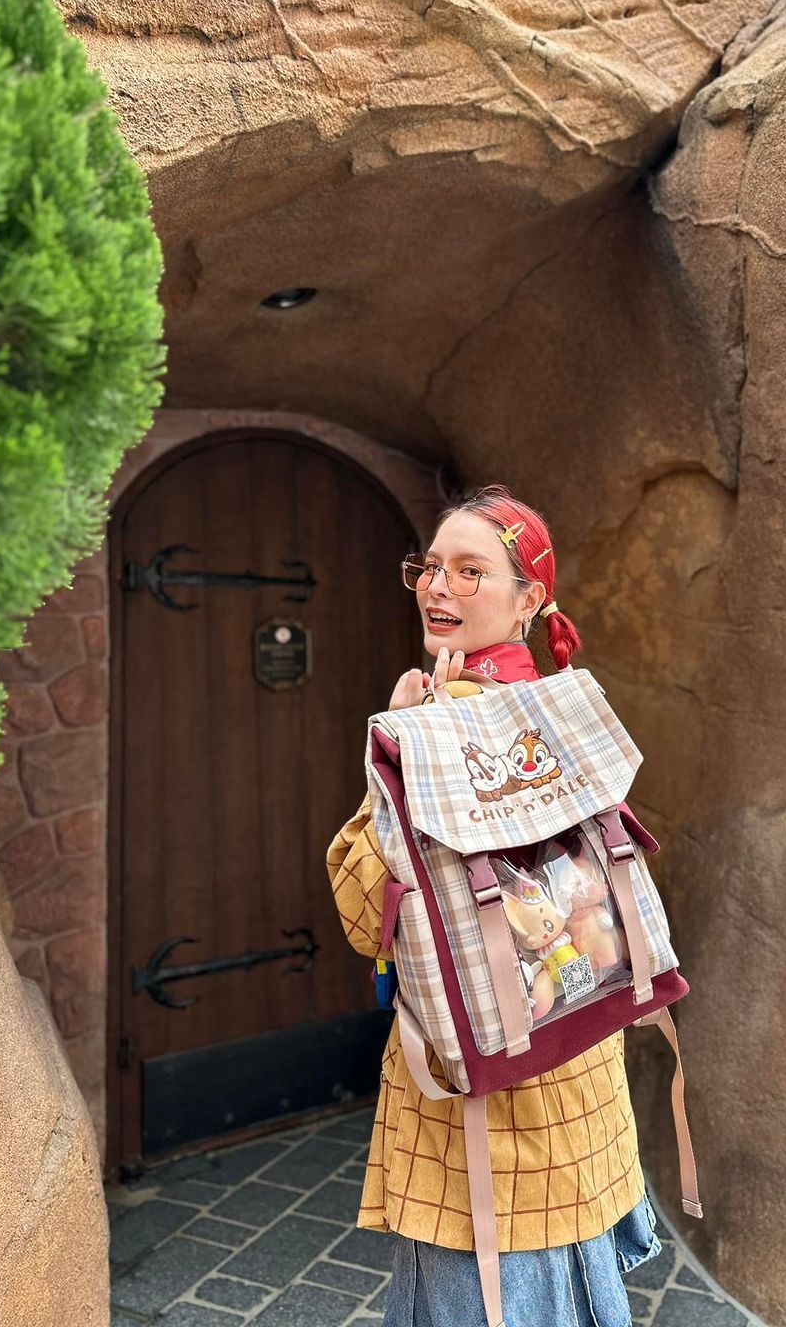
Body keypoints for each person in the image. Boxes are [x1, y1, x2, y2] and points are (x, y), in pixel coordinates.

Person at [326, 483, 661, 1327]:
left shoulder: (430, 732)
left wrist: (395, 744)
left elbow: (366, 916)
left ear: (529, 599)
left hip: (485, 1085)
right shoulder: (562, 712)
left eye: (470, 571)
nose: (438, 587)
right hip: (579, 1047)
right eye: (430, 567)